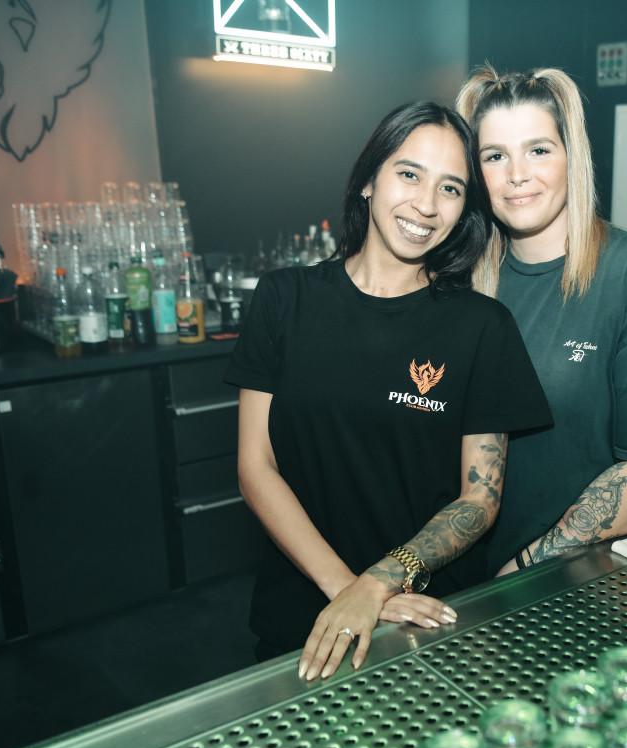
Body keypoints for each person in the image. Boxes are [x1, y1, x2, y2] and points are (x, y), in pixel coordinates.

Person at [224, 101, 551, 680]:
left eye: (450, 188)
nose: (426, 204)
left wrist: (379, 583)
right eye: (409, 174)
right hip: (301, 613)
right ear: (368, 181)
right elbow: (257, 467)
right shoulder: (283, 299)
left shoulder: (481, 326)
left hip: (424, 619)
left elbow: (479, 499)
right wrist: (347, 590)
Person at [455, 66, 627, 576]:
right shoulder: (461, 277)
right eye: (495, 156)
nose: (517, 174)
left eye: (538, 150)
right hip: (468, 573)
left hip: (590, 578)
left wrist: (522, 570)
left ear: (573, 157)